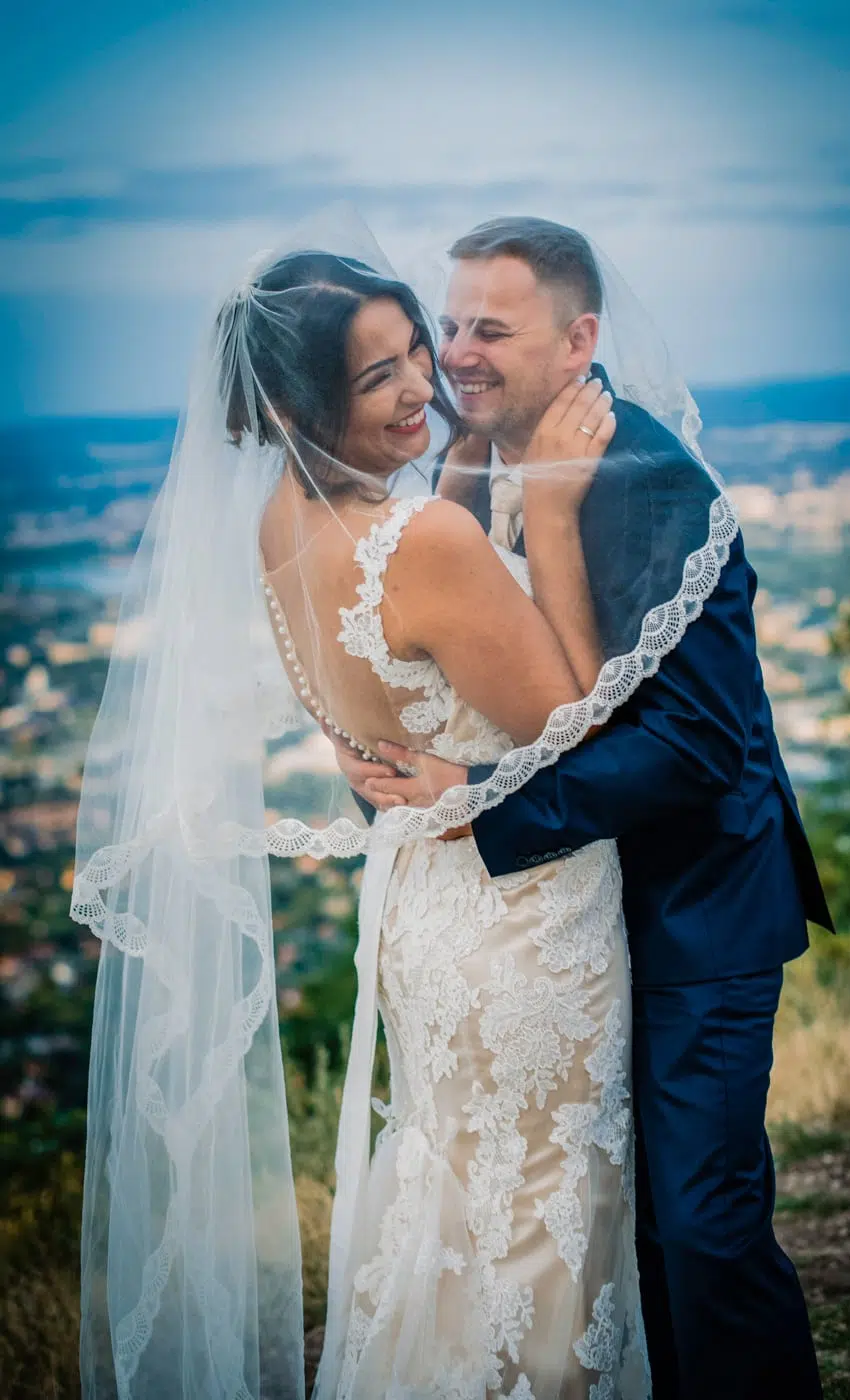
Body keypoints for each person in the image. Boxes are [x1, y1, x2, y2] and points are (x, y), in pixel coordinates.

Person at [70, 222, 658, 1400]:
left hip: (424, 917)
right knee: (541, 1245)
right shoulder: (428, 540)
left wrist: (449, 491)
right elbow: (581, 729)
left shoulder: (279, 527)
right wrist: (545, 519)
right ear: (294, 409)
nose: (417, 389)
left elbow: (386, 720)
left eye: (411, 351)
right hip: (524, 923)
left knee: (446, 1228)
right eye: (373, 374)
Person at [335, 216, 833, 1400]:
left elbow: (700, 744)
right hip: (581, 917)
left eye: (489, 329)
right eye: (448, 323)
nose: (456, 352)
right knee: (626, 1229)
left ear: (580, 339)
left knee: (701, 1229)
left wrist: (487, 797)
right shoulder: (497, 452)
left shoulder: (639, 475)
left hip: (693, 913)